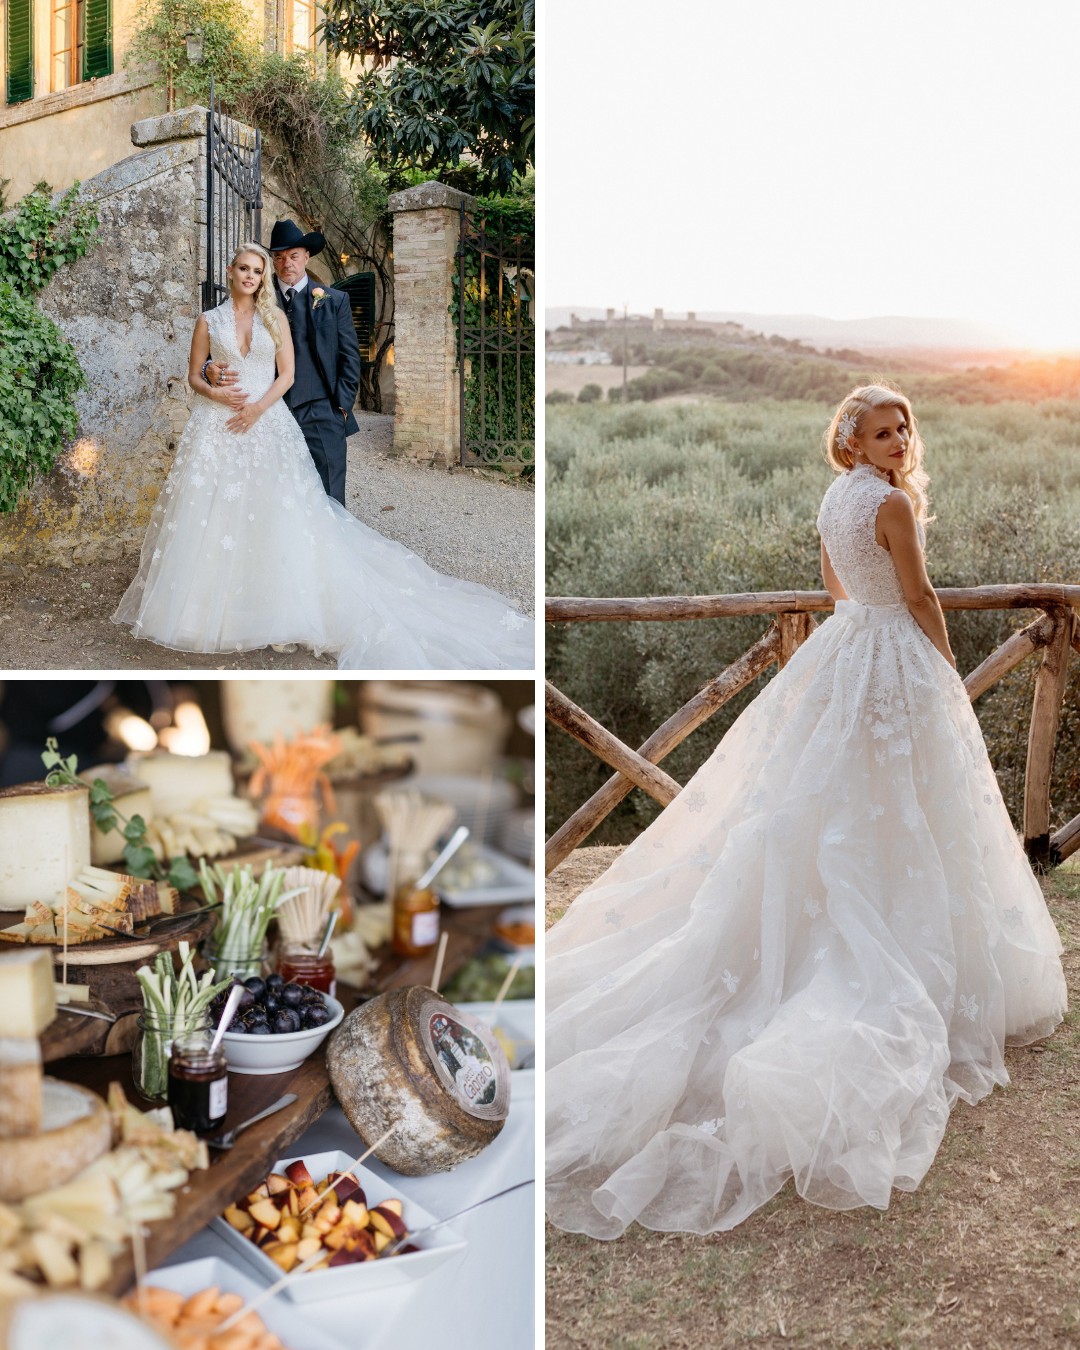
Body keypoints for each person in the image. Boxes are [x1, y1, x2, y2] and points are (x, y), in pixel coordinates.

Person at [545, 383, 1066, 1239]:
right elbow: (924, 596)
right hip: (893, 654)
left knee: (839, 810)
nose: (898, 440)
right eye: (880, 431)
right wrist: (945, 675)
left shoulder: (837, 497)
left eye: (903, 427)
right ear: (853, 442)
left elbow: (834, 584)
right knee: (896, 809)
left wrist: (860, 634)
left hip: (845, 650)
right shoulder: (891, 502)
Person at [112, 243, 532, 669]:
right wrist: (214, 386)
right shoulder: (208, 320)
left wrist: (258, 408)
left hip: (266, 421)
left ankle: (278, 607)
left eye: (258, 271)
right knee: (216, 512)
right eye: (244, 268)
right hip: (216, 425)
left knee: (277, 514)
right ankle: (210, 608)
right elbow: (194, 375)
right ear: (230, 270)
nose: (251, 276)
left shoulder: (274, 318)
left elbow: (288, 373)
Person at [206, 219, 359, 506]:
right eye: (279, 256)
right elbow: (217, 342)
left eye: (294, 255)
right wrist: (208, 369)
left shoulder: (334, 300)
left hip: (321, 410)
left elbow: (349, 357)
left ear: (306, 257)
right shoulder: (255, 297)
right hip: (269, 411)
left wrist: (342, 407)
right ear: (272, 262)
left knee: (329, 495)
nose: (286, 262)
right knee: (274, 497)